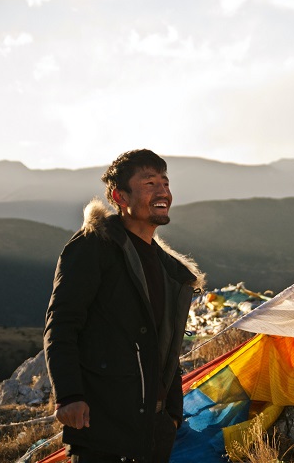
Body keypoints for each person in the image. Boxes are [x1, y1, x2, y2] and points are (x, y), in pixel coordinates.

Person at [44, 149, 205, 463]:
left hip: (153, 431)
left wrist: (172, 414)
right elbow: (62, 323)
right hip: (103, 429)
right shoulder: (94, 247)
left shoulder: (168, 270)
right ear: (120, 196)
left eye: (165, 183)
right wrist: (69, 396)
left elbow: (166, 348)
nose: (163, 192)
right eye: (149, 184)